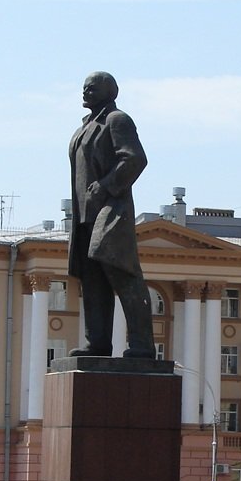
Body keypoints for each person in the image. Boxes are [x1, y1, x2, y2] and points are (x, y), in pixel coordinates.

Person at [68, 71, 156, 359]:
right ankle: (98, 342)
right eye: (84, 88)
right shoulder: (85, 127)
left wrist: (105, 186)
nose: (85, 92)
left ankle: (142, 345)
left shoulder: (117, 120)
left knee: (123, 275)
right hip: (85, 215)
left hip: (110, 211)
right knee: (92, 279)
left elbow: (135, 159)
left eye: (91, 88)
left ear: (110, 91)